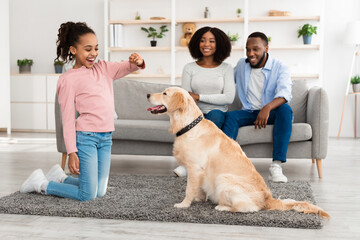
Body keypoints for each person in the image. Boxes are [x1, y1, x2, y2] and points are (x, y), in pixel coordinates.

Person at [19, 21, 145, 201]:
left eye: (96, 48)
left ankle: (60, 178)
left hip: (106, 137)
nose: (93, 53)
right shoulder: (68, 79)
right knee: (87, 195)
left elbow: (128, 67)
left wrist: (137, 62)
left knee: (99, 191)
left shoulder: (104, 68)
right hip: (87, 137)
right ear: (73, 50)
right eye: (88, 49)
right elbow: (68, 118)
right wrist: (72, 152)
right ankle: (41, 184)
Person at [222, 32, 293, 183]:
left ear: (266, 48)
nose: (250, 54)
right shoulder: (242, 65)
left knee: (285, 110)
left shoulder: (280, 67)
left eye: (255, 49)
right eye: (247, 49)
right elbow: (226, 80)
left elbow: (285, 93)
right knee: (231, 116)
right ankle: (225, 164)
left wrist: (267, 108)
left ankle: (276, 166)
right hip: (249, 112)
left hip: (271, 112)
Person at [173, 26, 235, 177]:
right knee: (192, 123)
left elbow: (228, 97)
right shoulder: (189, 68)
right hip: (194, 111)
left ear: (219, 44)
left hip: (217, 112)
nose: (206, 44)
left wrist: (199, 96)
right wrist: (193, 101)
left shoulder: (226, 68)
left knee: (213, 118)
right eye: (202, 40)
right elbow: (186, 97)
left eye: (211, 41)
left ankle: (190, 165)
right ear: (197, 43)